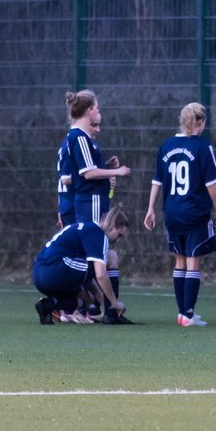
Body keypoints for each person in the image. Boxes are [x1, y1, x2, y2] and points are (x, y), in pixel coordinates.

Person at [143, 102, 216, 327]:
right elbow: (211, 184)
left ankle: (182, 313)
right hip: (194, 212)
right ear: (201, 122)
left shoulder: (167, 145)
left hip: (172, 211)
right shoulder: (202, 147)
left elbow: (156, 181)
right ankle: (188, 314)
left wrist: (150, 208)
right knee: (192, 263)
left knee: (179, 262)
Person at [62, 90, 132, 317]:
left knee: (103, 255)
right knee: (96, 257)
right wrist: (116, 171)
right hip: (90, 201)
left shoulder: (82, 139)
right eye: (98, 108)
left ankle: (98, 307)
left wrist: (106, 164)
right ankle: (83, 304)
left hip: (94, 199)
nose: (99, 112)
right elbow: (88, 173)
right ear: (89, 110)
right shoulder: (79, 137)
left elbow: (89, 169)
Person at [33, 208, 131, 325]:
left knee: (86, 300)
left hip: (38, 275)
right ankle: (111, 315)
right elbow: (100, 274)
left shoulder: (86, 229)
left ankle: (48, 305)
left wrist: (99, 297)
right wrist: (114, 302)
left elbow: (85, 272)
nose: (119, 240)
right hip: (55, 269)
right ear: (113, 225)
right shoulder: (98, 234)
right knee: (112, 256)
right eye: (119, 235)